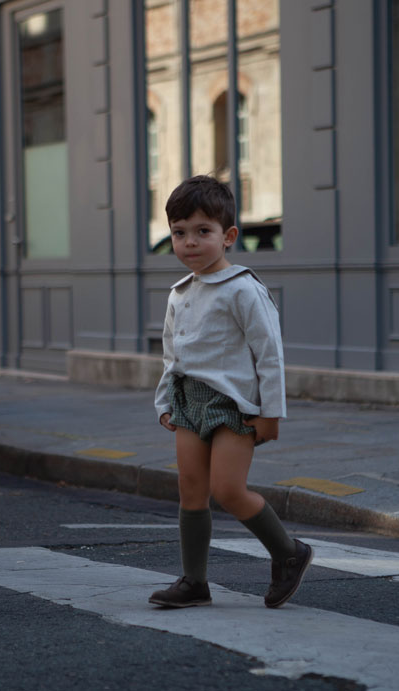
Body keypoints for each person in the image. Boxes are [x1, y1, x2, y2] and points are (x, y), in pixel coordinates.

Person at [149, 175, 313, 609]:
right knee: (191, 489)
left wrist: (271, 413)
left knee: (228, 489)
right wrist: (164, 401)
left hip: (234, 405)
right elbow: (173, 355)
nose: (190, 242)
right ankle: (194, 581)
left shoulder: (244, 289)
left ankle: (289, 552)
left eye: (203, 231)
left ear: (228, 236)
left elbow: (270, 354)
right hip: (188, 402)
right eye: (180, 233)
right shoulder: (179, 293)